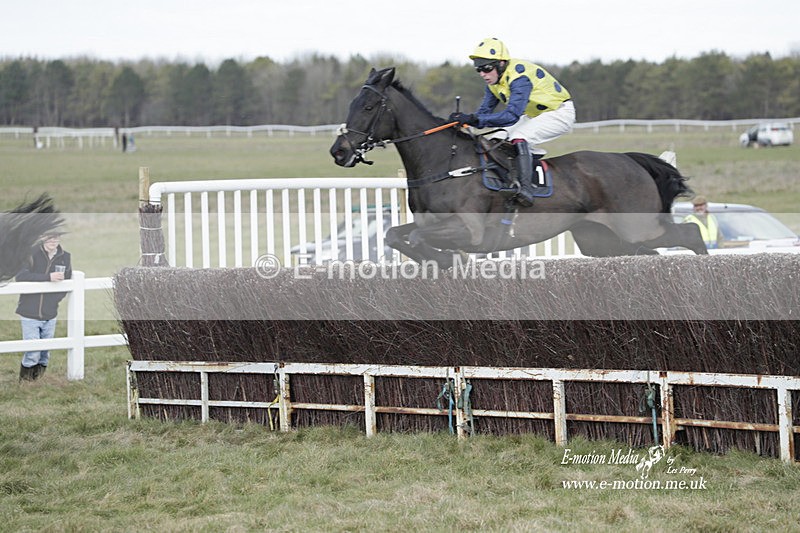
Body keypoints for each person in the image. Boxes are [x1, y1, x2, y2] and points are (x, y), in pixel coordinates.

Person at [449, 37, 576, 206]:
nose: (483, 74)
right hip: (535, 115)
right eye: (479, 69)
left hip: (559, 112)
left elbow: (511, 116)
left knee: (519, 137)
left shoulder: (519, 77)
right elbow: (483, 114)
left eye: (487, 68)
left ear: (501, 63)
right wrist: (463, 120)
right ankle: (509, 177)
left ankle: (526, 189)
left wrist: (473, 119)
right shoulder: (493, 83)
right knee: (496, 139)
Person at [16, 232, 72, 382]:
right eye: (49, 237)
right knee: (32, 351)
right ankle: (25, 383)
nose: (53, 240)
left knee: (45, 353)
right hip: (29, 312)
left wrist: (55, 300)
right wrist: (48, 277)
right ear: (42, 237)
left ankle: (38, 382)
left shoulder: (65, 256)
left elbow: (67, 282)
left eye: (56, 237)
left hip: (50, 312)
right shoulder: (30, 254)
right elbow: (21, 276)